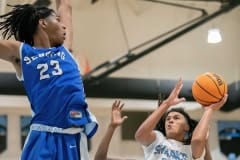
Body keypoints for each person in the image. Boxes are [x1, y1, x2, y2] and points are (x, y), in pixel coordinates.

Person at [0, 0, 98, 159]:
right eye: (58, 20)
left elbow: (65, 6)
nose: (64, 25)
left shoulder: (65, 49)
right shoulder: (23, 54)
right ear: (43, 23)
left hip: (72, 138)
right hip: (43, 136)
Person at [135, 78, 228, 160]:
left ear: (186, 127)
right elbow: (140, 135)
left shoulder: (190, 149)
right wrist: (166, 104)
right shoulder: (158, 139)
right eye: (168, 119)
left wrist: (209, 110)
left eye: (176, 118)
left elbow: (197, 140)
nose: (170, 120)